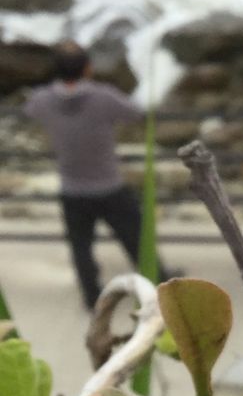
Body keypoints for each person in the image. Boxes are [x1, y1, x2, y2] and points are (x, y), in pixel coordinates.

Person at [24, 41, 167, 308]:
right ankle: (158, 283)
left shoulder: (43, 99)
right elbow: (135, 113)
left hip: (72, 188)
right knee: (135, 238)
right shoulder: (103, 96)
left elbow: (30, 110)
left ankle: (92, 297)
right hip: (108, 184)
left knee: (81, 247)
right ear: (88, 68)